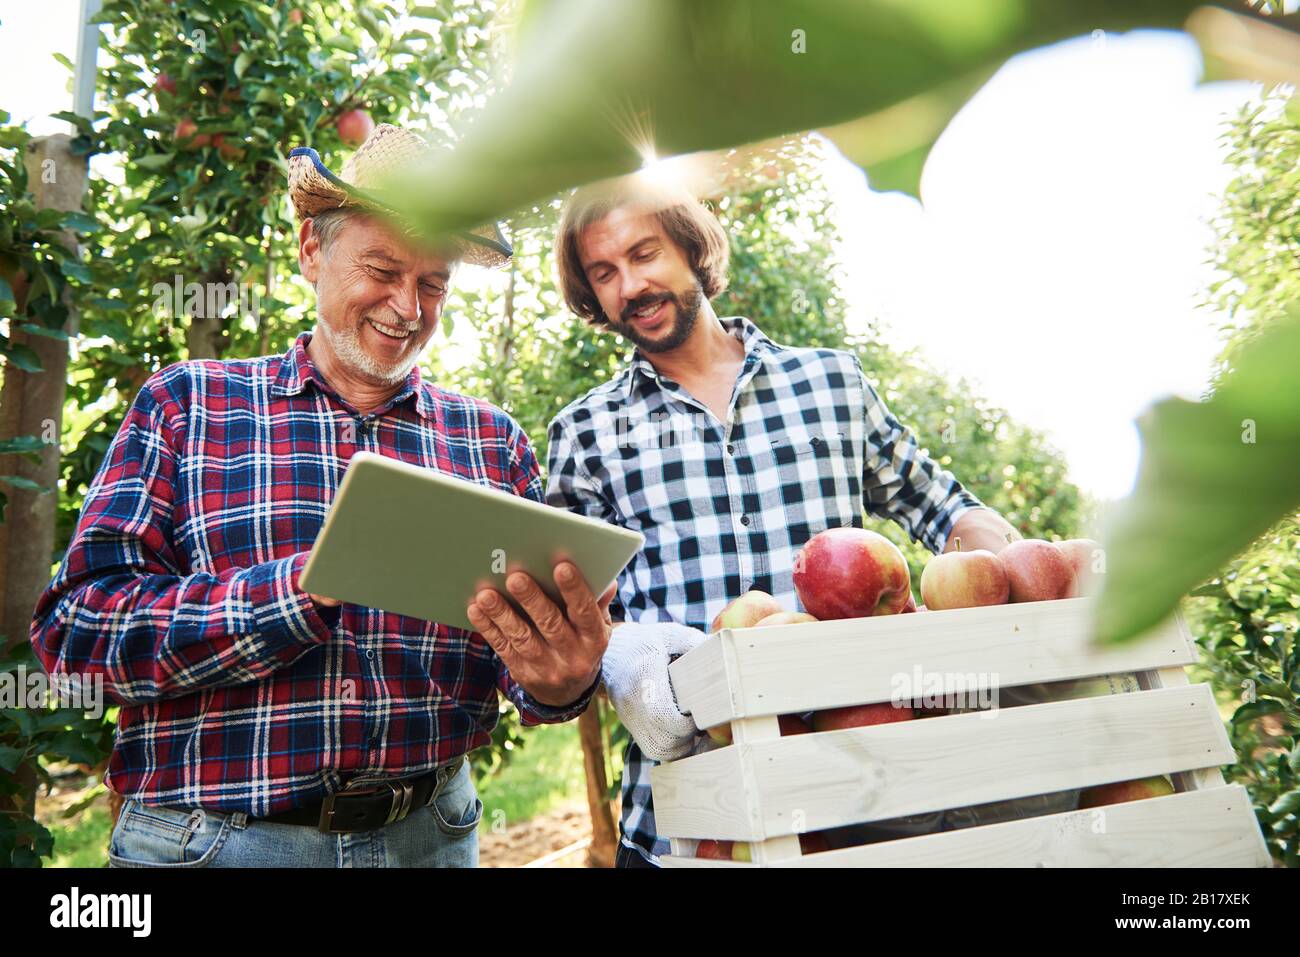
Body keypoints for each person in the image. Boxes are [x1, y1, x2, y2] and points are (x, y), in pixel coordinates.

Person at [28, 124, 612, 868]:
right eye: (382, 268)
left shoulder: (490, 442)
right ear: (311, 249)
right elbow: (72, 640)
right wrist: (297, 593)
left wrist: (558, 681)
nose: (408, 307)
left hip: (428, 835)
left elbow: (521, 669)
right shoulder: (188, 405)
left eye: (433, 283)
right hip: (217, 843)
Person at [543, 174, 1022, 867]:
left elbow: (943, 508)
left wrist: (1008, 557)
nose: (630, 286)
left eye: (644, 254)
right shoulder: (585, 432)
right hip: (686, 813)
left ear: (688, 245)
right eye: (605, 273)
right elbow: (575, 617)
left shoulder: (832, 383)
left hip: (856, 796)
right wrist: (620, 661)